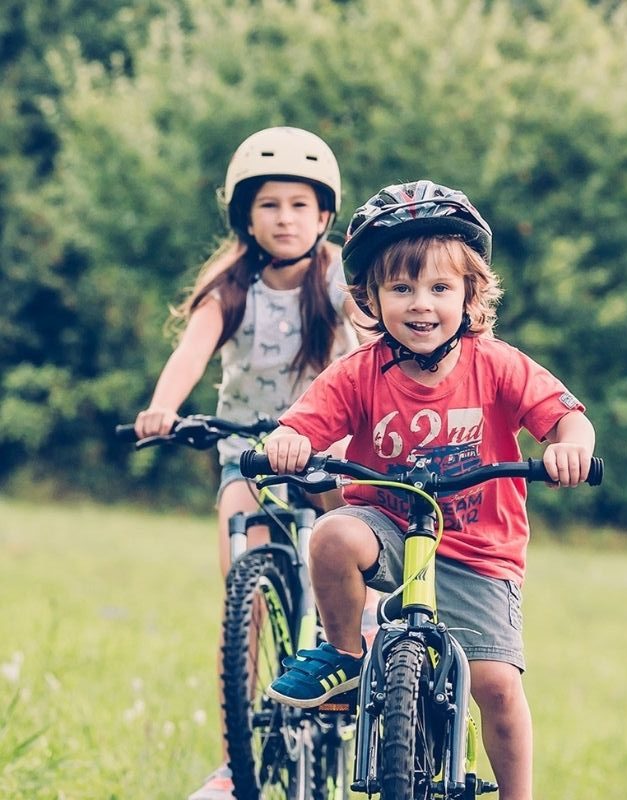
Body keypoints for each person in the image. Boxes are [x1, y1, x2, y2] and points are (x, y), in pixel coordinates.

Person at [260, 179, 596, 800]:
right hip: (387, 527)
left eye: (440, 287)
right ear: (371, 297)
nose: (422, 304)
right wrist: (288, 441)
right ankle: (347, 656)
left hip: (477, 546)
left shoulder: (496, 364)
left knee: (495, 684)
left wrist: (570, 446)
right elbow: (303, 424)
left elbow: (566, 416)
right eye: (402, 288)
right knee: (333, 533)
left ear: (470, 295)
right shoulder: (360, 374)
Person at [132, 126, 364, 800]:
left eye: (299, 205)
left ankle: (356, 634)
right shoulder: (233, 285)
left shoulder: (334, 272)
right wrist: (162, 407)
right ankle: (238, 762)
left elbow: (367, 321)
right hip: (251, 454)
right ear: (245, 217)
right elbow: (193, 350)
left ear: (323, 216)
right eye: (269, 205)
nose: (285, 218)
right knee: (242, 577)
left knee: (346, 532)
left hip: (324, 446)